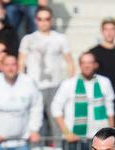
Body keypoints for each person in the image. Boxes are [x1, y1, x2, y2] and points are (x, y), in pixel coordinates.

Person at [51, 52, 115, 150]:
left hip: (97, 139)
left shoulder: (104, 82)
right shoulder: (68, 84)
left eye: (90, 63)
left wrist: (111, 134)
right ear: (79, 65)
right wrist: (66, 132)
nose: (87, 66)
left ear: (95, 65)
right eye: (84, 63)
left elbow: (110, 109)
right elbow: (55, 108)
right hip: (72, 138)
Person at [18, 5, 74, 138]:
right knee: (35, 125)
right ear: (36, 20)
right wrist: (22, 84)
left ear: (52, 20)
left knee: (57, 124)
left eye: (47, 19)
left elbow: (70, 62)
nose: (44, 22)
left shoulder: (60, 38)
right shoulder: (28, 39)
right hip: (34, 86)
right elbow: (21, 63)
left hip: (55, 85)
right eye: (40, 19)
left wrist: (68, 84)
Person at [88, 17, 115, 127]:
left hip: (114, 100)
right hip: (98, 99)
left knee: (113, 136)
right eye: (106, 29)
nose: (109, 33)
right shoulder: (93, 52)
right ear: (102, 31)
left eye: (112, 29)